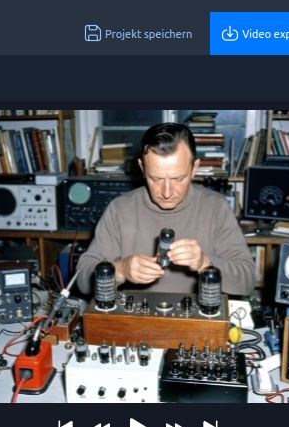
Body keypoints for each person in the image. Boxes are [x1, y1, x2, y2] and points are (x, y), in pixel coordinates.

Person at [73, 122, 257, 297]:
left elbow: (247, 281)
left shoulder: (216, 207)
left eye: (178, 179)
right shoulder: (119, 209)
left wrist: (205, 263)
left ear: (195, 168)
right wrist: (121, 270)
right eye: (156, 179)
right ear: (142, 167)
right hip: (134, 317)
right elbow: (82, 281)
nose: (167, 193)